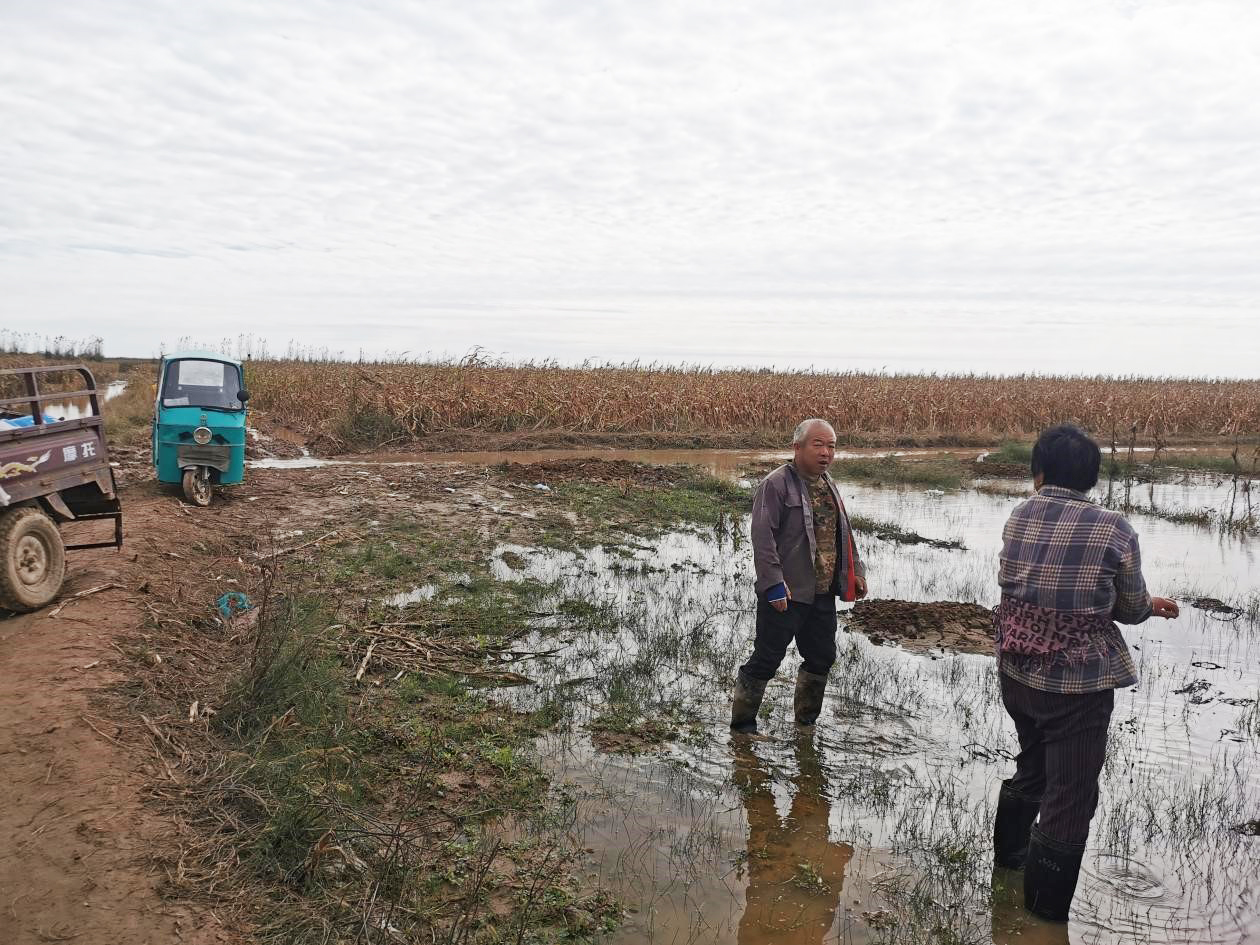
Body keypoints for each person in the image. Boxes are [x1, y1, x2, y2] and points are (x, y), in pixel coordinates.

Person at [991, 424, 1179, 922]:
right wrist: (1151, 606)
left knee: (1033, 763)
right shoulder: (1114, 527)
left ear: (1039, 473)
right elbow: (1132, 606)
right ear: (1091, 478)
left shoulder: (1020, 514)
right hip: (1074, 684)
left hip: (1016, 669)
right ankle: (1042, 918)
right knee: (1071, 795)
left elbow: (1024, 585)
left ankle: (1006, 866)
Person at [730, 418, 867, 732]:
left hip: (822, 594)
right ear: (797, 447)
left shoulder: (828, 484)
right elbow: (762, 539)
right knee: (766, 659)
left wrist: (855, 571)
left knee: (821, 658)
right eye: (818, 444)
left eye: (831, 446)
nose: (826, 452)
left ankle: (806, 725)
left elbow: (843, 532)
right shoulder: (776, 484)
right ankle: (742, 729)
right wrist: (774, 585)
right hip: (787, 593)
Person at [732, 735, 852, 943]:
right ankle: (747, 742)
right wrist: (838, 864)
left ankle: (745, 746)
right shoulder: (809, 935)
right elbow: (828, 897)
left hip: (771, 876)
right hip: (787, 874)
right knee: (811, 795)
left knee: (761, 803)